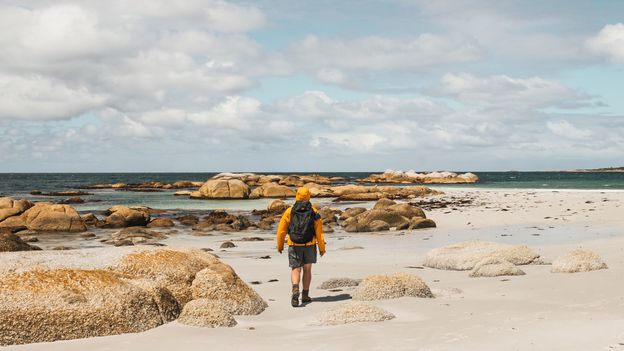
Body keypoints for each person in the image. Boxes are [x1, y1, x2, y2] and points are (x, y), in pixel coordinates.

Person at [276, 187, 325, 307]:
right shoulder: (314, 211)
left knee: (296, 269)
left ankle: (295, 288)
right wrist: (322, 248)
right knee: (307, 269)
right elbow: (319, 232)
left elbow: (281, 231)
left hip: (294, 244)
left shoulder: (289, 211)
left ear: (297, 196)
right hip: (310, 244)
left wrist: (280, 245)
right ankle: (305, 295)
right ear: (309, 196)